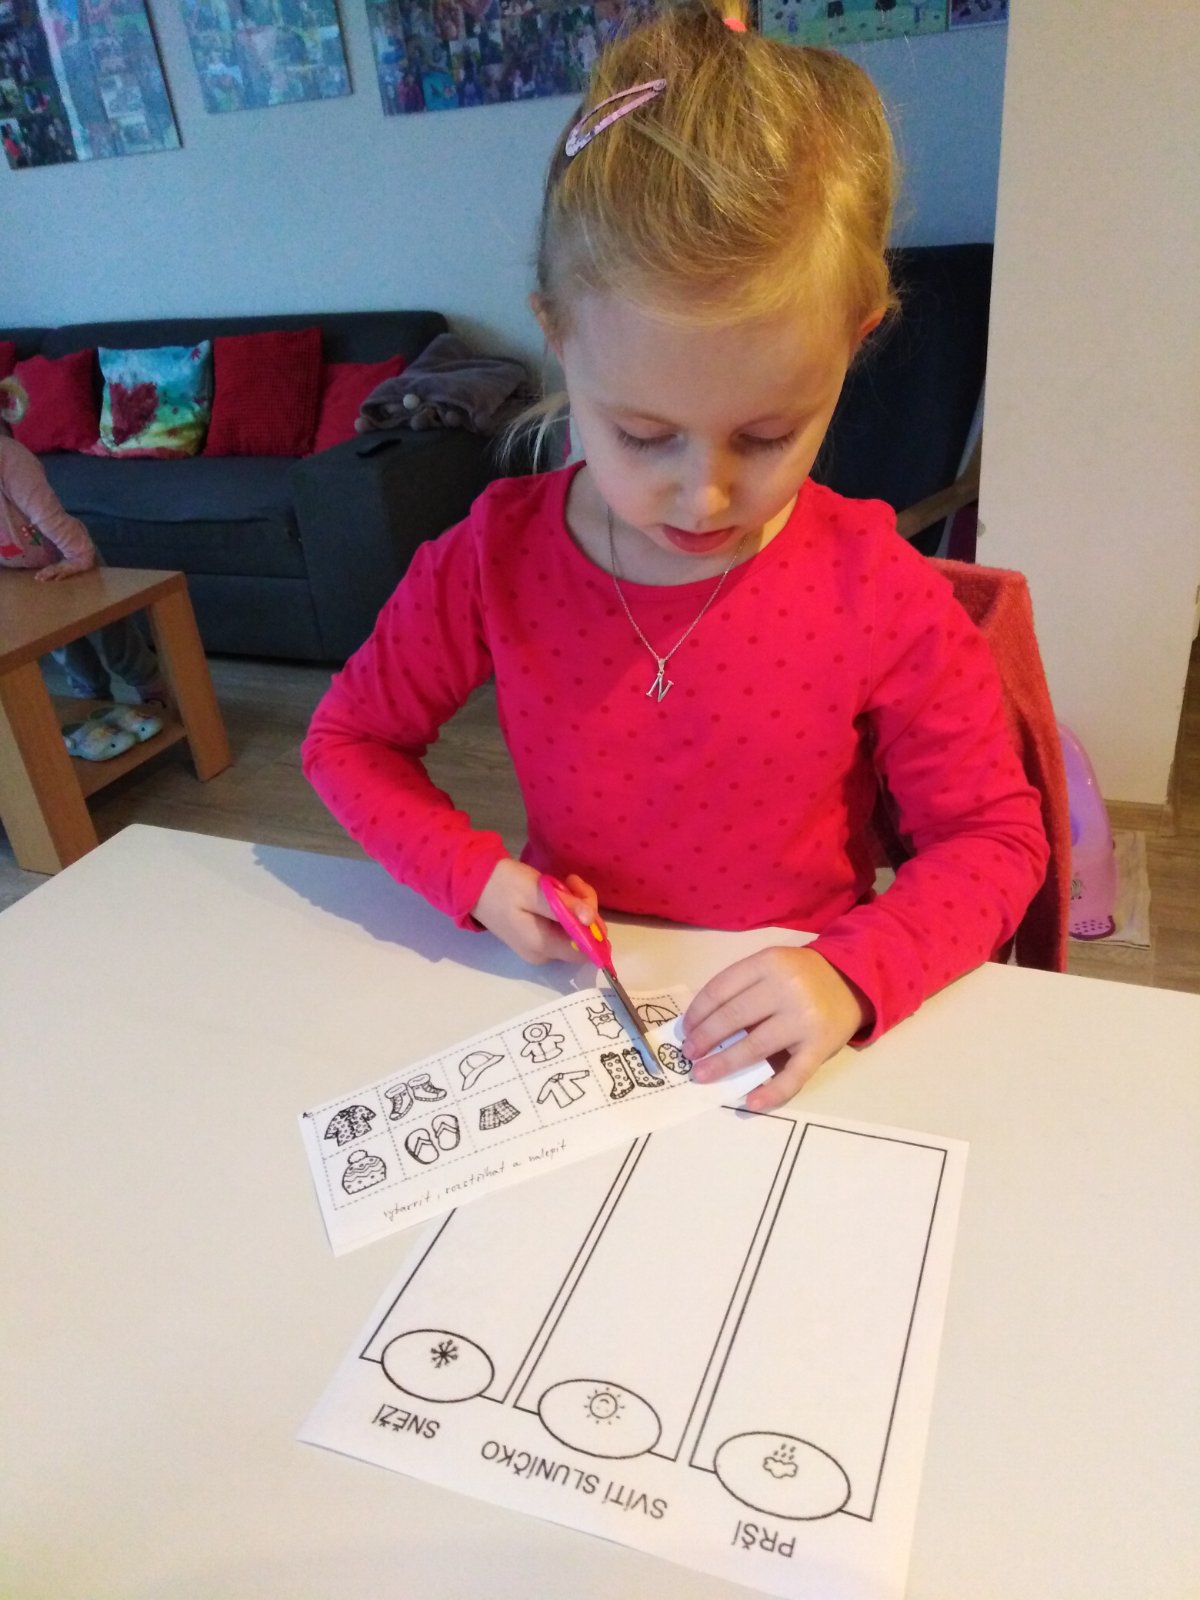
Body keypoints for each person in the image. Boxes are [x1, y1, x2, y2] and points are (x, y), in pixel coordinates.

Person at [302, 0, 1048, 1111]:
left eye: (767, 434)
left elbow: (994, 838)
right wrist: (477, 876)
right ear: (557, 334)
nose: (703, 497)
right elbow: (348, 741)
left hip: (793, 1031)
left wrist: (854, 971)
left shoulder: (876, 588)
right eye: (643, 436)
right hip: (575, 1011)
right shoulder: (493, 558)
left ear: (853, 344)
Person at [0, 376, 166, 704]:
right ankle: (92, 697)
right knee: (61, 644)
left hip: (66, 558)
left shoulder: (9, 457)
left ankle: (152, 686)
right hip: (26, 575)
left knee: (113, 634)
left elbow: (45, 513)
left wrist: (78, 556)